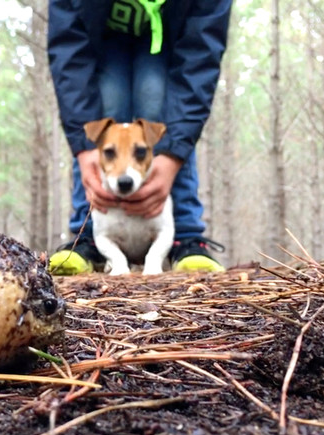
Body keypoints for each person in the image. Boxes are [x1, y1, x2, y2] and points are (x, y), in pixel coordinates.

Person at [47, 0, 232, 275]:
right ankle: (86, 234)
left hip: (172, 32)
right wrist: (85, 148)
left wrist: (171, 156)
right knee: (108, 93)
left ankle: (185, 234)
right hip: (97, 31)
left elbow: (200, 57)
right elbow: (69, 48)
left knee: (155, 91)